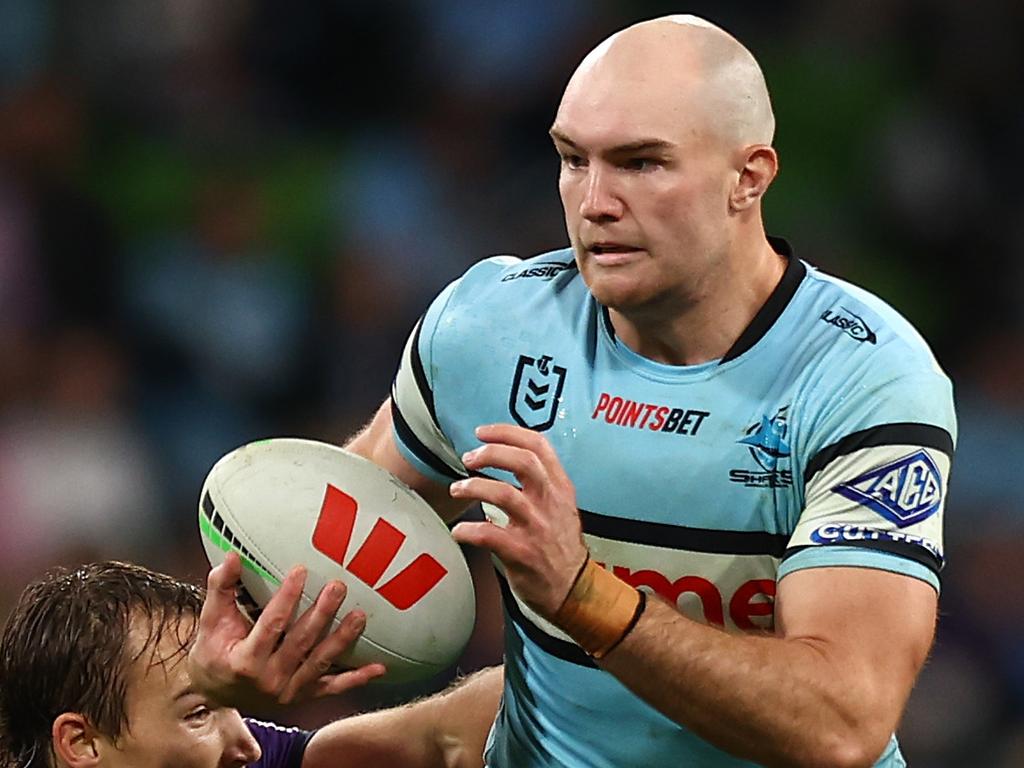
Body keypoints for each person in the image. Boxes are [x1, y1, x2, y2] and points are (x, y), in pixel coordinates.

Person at [343, 13, 956, 768]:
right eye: (573, 160)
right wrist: (256, 640)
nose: (594, 201)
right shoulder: (488, 328)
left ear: (750, 176)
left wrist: (582, 594)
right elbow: (339, 537)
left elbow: (840, 723)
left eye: (640, 164)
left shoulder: (862, 377)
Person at [0, 554, 501, 768]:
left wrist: (571, 609)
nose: (248, 746)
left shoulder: (247, 756)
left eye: (229, 707)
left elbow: (444, 736)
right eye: (199, 713)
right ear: (81, 742)